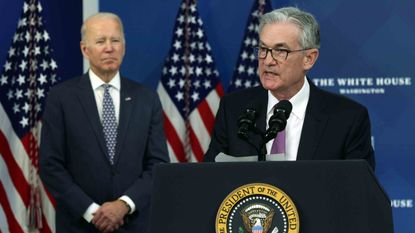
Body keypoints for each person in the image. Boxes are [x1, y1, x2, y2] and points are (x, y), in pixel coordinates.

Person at [39, 12, 169, 233]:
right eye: (100, 41)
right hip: (79, 225)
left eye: (115, 40)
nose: (109, 48)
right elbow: (51, 165)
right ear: (84, 49)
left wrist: (123, 205)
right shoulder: (61, 98)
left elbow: (158, 164)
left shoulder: (146, 98)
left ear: (124, 47)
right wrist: (92, 212)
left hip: (133, 223)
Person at [204, 7, 375, 169]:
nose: (268, 61)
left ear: (309, 58)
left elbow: (358, 191)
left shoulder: (348, 118)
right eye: (263, 49)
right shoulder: (234, 109)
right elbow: (211, 177)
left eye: (280, 51)